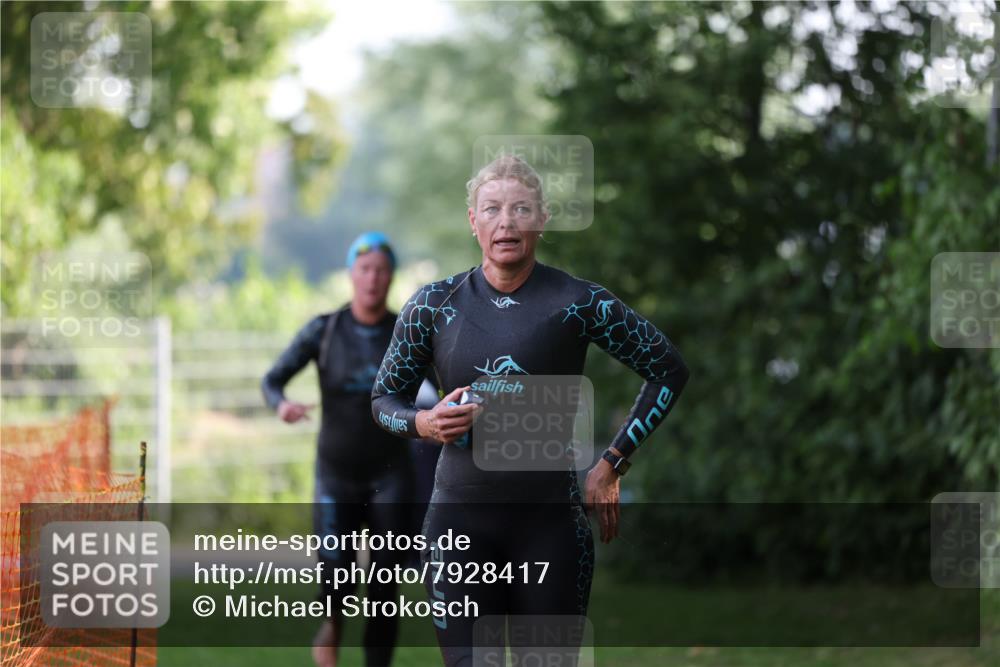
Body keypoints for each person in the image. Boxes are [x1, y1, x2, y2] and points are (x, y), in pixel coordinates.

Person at [370, 155, 690, 666]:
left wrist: (612, 463)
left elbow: (668, 369)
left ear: (541, 218)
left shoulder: (579, 302)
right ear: (473, 220)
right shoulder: (433, 304)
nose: (506, 222)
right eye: (492, 209)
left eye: (521, 209)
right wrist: (424, 423)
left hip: (551, 530)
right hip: (458, 529)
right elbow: (383, 400)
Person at [262, 231, 412, 667]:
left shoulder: (406, 332)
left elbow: (439, 387)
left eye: (381, 270)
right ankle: (331, 624)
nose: (373, 278)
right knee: (336, 578)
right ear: (351, 274)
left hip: (391, 476)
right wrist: (282, 405)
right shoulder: (324, 329)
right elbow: (272, 380)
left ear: (391, 277)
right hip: (336, 476)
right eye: (365, 269)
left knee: (385, 586)